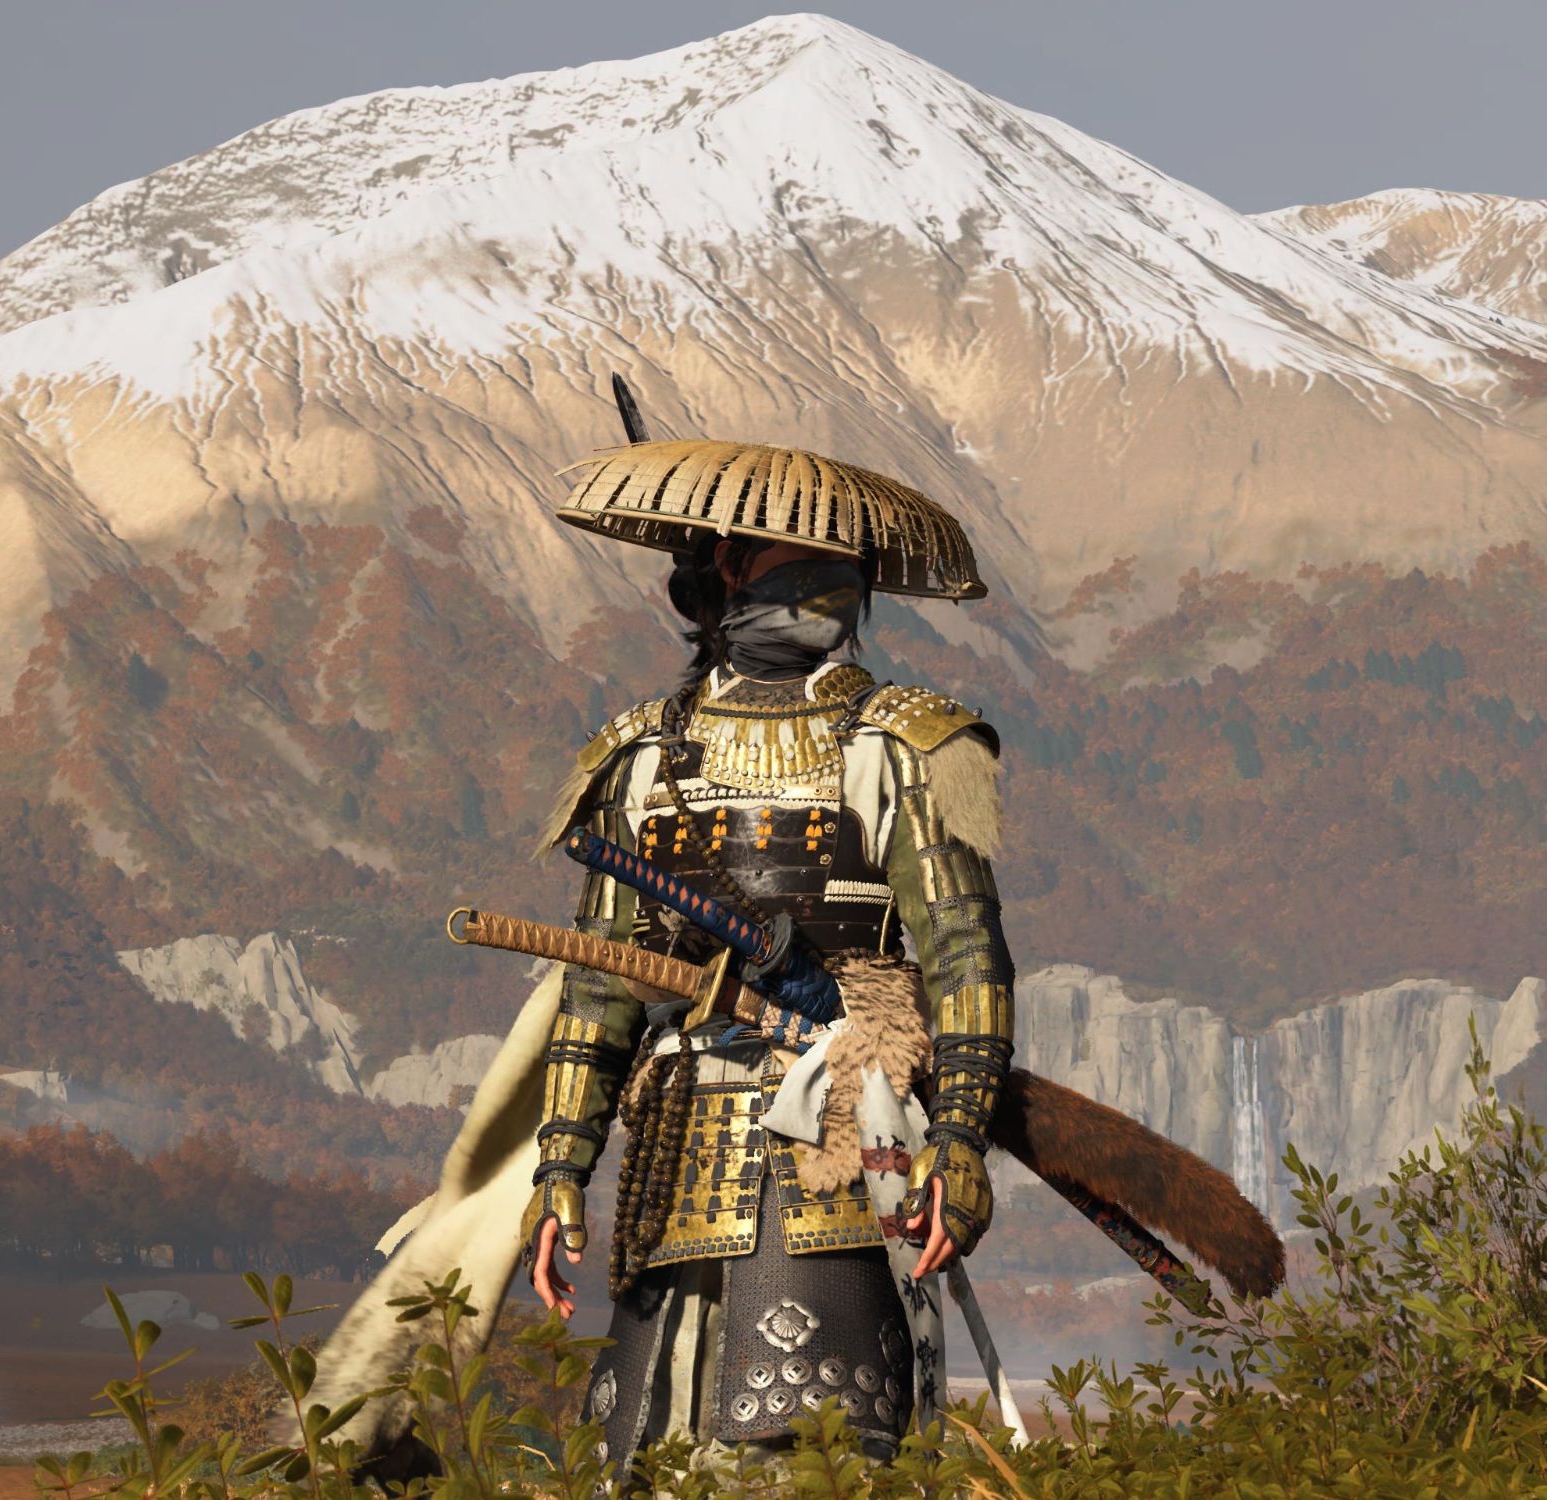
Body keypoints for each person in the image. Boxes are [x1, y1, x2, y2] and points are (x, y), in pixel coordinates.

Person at [310, 437, 1017, 1476]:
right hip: (672, 1156)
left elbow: (964, 956)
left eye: (805, 558)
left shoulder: (908, 745)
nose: (794, 579)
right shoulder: (638, 754)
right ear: (714, 571)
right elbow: (600, 983)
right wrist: (560, 1170)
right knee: (641, 1457)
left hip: (838, 1143)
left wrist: (957, 1138)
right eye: (754, 553)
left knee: (810, 1458)